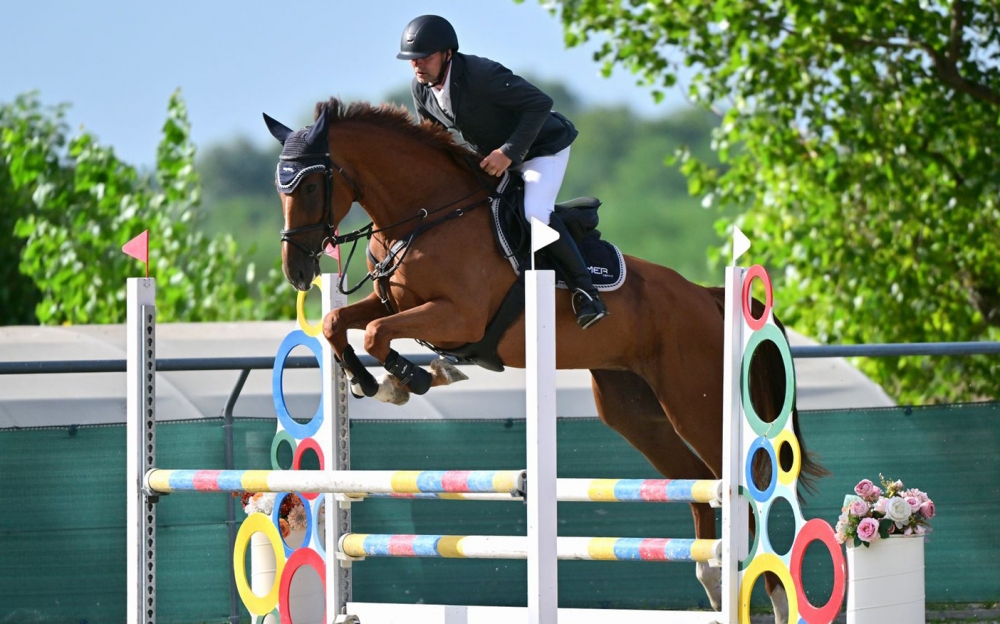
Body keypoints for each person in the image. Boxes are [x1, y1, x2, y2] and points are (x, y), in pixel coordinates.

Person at [397, 14, 608, 329]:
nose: (417, 65)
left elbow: (539, 103)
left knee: (535, 211)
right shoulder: (422, 89)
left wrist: (509, 153)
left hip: (541, 149)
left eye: (424, 57)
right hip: (492, 157)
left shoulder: (483, 74)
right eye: (412, 59)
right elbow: (435, 141)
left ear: (447, 54)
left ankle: (586, 292)